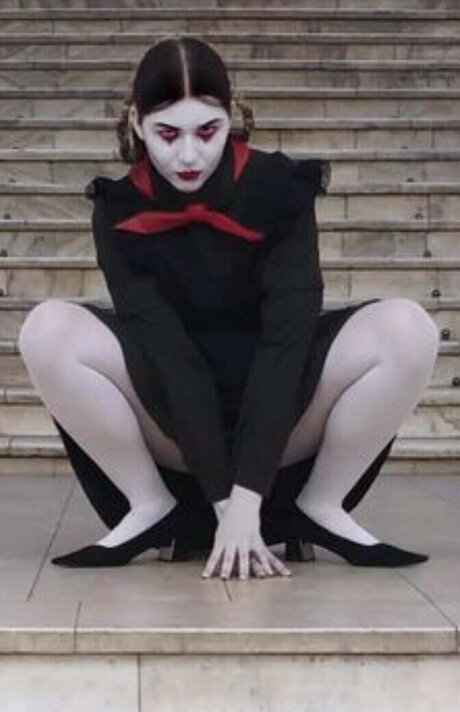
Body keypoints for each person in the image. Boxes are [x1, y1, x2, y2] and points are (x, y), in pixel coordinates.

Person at [18, 37, 440, 581]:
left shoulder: (280, 188)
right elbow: (171, 358)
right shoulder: (117, 209)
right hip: (169, 418)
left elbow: (285, 343)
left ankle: (321, 504)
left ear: (231, 118)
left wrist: (248, 500)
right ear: (137, 124)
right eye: (168, 134)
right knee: (47, 330)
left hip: (287, 415)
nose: (188, 155)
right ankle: (150, 505)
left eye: (207, 131)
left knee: (407, 328)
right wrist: (225, 505)